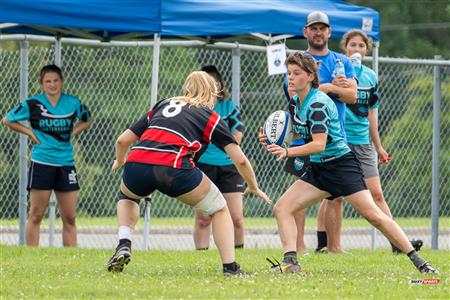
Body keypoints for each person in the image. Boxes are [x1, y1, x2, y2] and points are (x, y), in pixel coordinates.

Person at [261, 51, 437, 274]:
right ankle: (290, 262)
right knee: (283, 207)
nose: (291, 78)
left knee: (373, 215)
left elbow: (319, 144)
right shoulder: (296, 102)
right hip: (318, 169)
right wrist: (272, 137)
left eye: (296, 73)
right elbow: (300, 131)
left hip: (341, 167)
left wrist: (287, 151)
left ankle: (420, 262)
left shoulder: (317, 104)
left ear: (310, 76)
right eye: (289, 73)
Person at [106, 71, 271, 276]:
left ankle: (124, 242)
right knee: (219, 209)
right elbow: (240, 159)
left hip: (137, 162)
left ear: (186, 89)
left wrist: (121, 160)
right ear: (212, 92)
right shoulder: (209, 115)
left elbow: (122, 141)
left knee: (128, 197)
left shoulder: (163, 104)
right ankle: (231, 268)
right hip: (172, 167)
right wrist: (253, 186)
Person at [327, 29, 422, 253]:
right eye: (352, 45)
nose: (356, 50)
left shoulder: (370, 76)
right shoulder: (338, 71)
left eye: (361, 46)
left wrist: (378, 146)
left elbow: (371, 113)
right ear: (345, 48)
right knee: (335, 197)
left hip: (362, 143)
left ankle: (399, 244)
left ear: (367, 50)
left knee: (376, 194)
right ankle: (332, 247)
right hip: (339, 140)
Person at [282, 11, 358, 253]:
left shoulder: (342, 61)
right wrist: (334, 88)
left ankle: (334, 247)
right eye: (313, 28)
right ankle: (299, 246)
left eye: (322, 28)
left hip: (335, 137)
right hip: (304, 137)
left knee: (336, 196)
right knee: (299, 194)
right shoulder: (299, 61)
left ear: (329, 32)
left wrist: (327, 87)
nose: (318, 32)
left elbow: (353, 96)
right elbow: (293, 93)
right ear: (305, 32)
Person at [2, 64, 93, 247]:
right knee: (36, 214)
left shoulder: (73, 102)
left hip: (66, 163)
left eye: (56, 80)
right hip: (42, 162)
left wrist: (73, 132)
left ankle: (70, 255)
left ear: (62, 81)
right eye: (48, 81)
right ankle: (31, 256)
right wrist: (29, 132)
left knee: (70, 217)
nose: (52, 84)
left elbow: (88, 119)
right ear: (42, 84)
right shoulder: (33, 103)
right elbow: (7, 120)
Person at [193, 65, 245, 250]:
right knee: (203, 218)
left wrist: (226, 142)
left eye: (214, 83)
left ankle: (239, 253)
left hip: (228, 167)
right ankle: (202, 257)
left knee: (236, 217)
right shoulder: (195, 110)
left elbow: (237, 135)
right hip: (203, 166)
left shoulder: (229, 108)